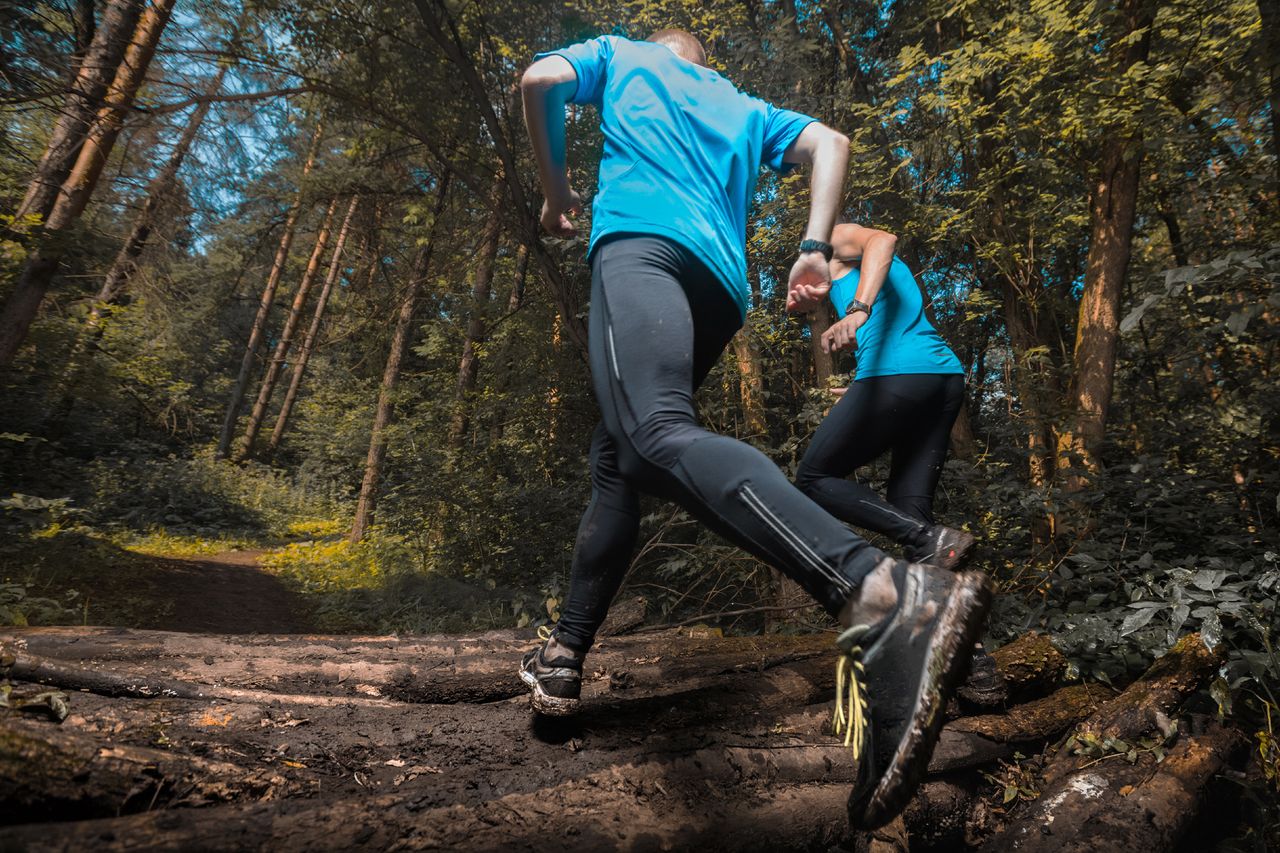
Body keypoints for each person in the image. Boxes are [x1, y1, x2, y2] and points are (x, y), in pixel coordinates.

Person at [517, 29, 991, 828]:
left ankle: (877, 592)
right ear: (706, 60)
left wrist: (556, 190)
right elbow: (831, 143)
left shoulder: (623, 54)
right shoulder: (741, 103)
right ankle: (565, 655)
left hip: (643, 250)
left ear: (662, 47)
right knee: (620, 451)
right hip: (716, 287)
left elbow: (537, 78)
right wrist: (812, 245)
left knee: (652, 432)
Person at [794, 223, 974, 569]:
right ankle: (936, 609)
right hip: (938, 378)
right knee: (909, 501)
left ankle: (925, 539)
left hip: (897, 375)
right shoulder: (859, 271)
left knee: (814, 477)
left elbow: (884, 239)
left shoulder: (833, 236)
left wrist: (859, 307)